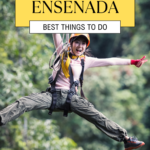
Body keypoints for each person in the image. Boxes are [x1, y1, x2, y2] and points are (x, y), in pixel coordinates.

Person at [0, 34, 147, 150]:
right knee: (24, 102)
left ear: (85, 46)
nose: (80, 46)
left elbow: (111, 61)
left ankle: (126, 139)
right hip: (53, 96)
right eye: (77, 42)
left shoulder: (86, 61)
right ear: (71, 43)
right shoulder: (61, 52)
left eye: (83, 43)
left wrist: (134, 62)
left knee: (98, 117)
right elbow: (55, 31)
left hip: (72, 99)